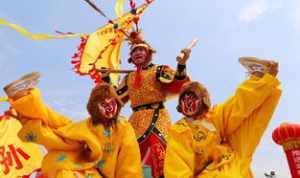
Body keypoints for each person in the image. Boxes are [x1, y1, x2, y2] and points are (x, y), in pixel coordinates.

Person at [4, 72, 143, 178]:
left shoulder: (123, 126)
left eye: (112, 103)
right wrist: (24, 101)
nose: (109, 108)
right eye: (103, 104)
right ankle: (22, 97)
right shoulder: (87, 125)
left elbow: (130, 162)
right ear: (94, 108)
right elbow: (55, 121)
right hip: (79, 169)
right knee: (59, 142)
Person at [164, 57, 282, 178]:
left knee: (249, 119)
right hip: (210, 174)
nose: (188, 103)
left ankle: (260, 79)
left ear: (203, 100)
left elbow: (238, 106)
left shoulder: (213, 116)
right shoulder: (179, 130)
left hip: (230, 160)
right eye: (185, 98)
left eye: (193, 97)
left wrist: (263, 80)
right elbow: (177, 168)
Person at [109, 31, 191, 178]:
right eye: (134, 51)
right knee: (130, 153)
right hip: (135, 120)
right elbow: (116, 99)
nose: (137, 53)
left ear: (148, 53)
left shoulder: (159, 70)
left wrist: (181, 64)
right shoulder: (128, 77)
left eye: (141, 49)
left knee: (156, 149)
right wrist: (106, 80)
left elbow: (178, 85)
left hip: (157, 116)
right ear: (131, 58)